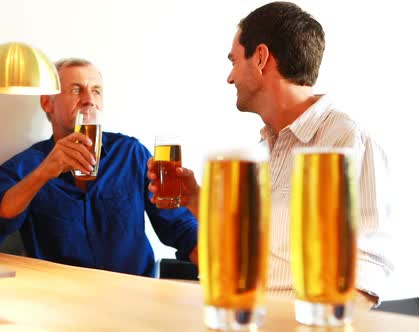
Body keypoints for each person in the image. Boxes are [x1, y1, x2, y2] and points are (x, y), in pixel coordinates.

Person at [148, 2, 392, 307]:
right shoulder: (264, 150)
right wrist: (196, 199)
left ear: (261, 57)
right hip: (239, 317)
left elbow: (365, 277)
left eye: (234, 61)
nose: (230, 77)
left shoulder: (348, 139)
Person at [0, 58, 198, 277]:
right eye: (76, 90)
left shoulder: (130, 154)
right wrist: (43, 173)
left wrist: (228, 273)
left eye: (96, 91)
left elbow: (182, 228)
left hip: (133, 295)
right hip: (60, 300)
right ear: (47, 102)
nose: (89, 99)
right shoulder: (26, 166)